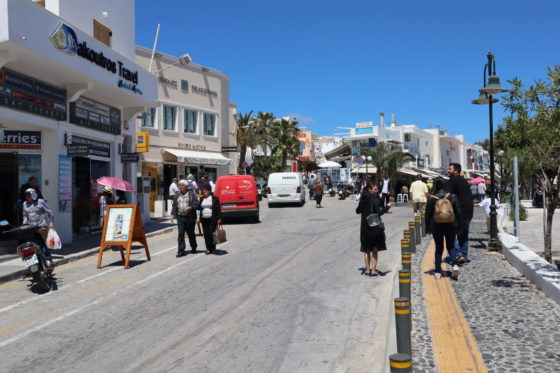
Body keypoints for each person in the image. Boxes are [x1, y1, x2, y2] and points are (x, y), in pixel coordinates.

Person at [425, 178, 463, 280]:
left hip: (436, 226)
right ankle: (454, 266)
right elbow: (459, 212)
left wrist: (427, 228)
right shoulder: (452, 196)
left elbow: (427, 214)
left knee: (439, 248)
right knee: (451, 247)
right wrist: (460, 226)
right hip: (451, 225)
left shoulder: (432, 198)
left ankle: (438, 271)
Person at [356, 182, 391, 277]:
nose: (377, 191)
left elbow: (357, 211)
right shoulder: (376, 199)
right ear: (370, 189)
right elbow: (379, 212)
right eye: (375, 189)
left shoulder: (363, 198)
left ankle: (367, 270)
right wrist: (387, 207)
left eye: (377, 189)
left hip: (364, 227)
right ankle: (373, 271)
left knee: (367, 250)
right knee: (374, 250)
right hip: (375, 227)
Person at [445, 163, 473, 265]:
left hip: (458, 211)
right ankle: (464, 256)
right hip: (469, 211)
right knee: (463, 234)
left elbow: (446, 195)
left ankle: (458, 254)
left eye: (450, 169)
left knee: (451, 233)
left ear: (456, 171)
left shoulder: (452, 181)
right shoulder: (464, 181)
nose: (448, 170)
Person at [22, 188, 55, 267]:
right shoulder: (24, 204)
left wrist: (51, 223)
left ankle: (47, 260)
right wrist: (24, 224)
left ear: (33, 195)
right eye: (26, 195)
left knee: (41, 244)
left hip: (41, 227)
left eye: (28, 195)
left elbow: (50, 213)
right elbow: (25, 216)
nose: (27, 197)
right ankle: (31, 265)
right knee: (28, 246)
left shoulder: (40, 202)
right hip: (30, 228)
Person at [171, 179, 199, 257]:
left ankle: (193, 247)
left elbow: (196, 204)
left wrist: (190, 207)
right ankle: (181, 250)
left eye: (182, 185)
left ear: (186, 187)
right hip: (180, 217)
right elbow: (174, 206)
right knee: (181, 234)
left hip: (189, 217)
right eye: (180, 185)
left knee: (191, 234)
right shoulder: (177, 195)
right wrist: (173, 214)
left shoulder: (191, 194)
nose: (181, 187)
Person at [197, 184, 221, 254]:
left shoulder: (215, 198)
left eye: (205, 190)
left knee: (211, 233)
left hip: (212, 219)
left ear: (209, 190)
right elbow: (198, 207)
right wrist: (192, 207)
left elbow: (218, 209)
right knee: (206, 234)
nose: (203, 191)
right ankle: (208, 248)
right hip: (204, 219)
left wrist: (219, 218)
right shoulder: (201, 198)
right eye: (203, 190)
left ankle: (213, 247)